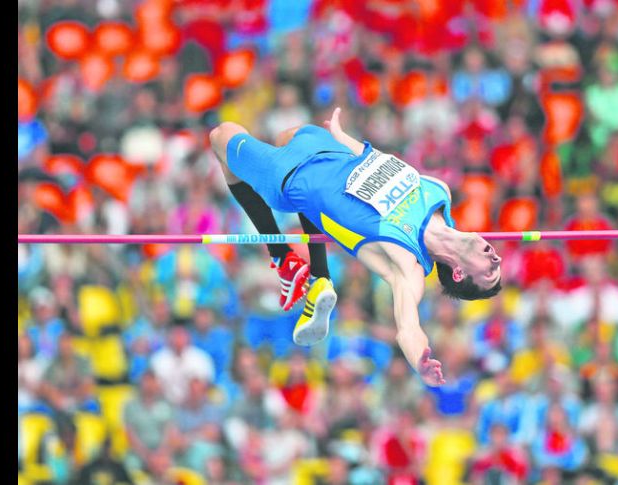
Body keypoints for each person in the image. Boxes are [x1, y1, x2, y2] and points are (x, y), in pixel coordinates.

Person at [208, 107, 503, 386]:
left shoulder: (407, 263)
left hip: (292, 174)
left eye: (490, 273)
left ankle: (282, 255)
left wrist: (419, 361)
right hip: (330, 149)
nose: (497, 259)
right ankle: (317, 276)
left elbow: (408, 327)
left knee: (221, 136)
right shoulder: (440, 192)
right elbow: (381, 164)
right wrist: (343, 137)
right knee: (286, 135)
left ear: (458, 273)